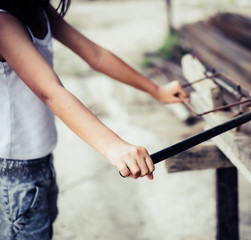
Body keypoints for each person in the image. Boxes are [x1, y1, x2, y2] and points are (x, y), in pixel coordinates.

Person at [0, 0, 188, 239]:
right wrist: (114, 146)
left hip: (40, 157)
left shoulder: (38, 8)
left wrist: (155, 90)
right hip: (15, 169)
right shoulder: (3, 22)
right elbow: (50, 91)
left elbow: (96, 55)